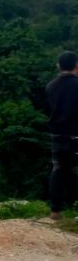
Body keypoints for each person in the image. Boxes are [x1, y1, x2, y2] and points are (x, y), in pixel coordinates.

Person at [47, 51, 78, 220]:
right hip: (75, 134)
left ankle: (55, 210)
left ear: (58, 66)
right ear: (76, 65)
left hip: (57, 134)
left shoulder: (51, 86)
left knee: (58, 170)